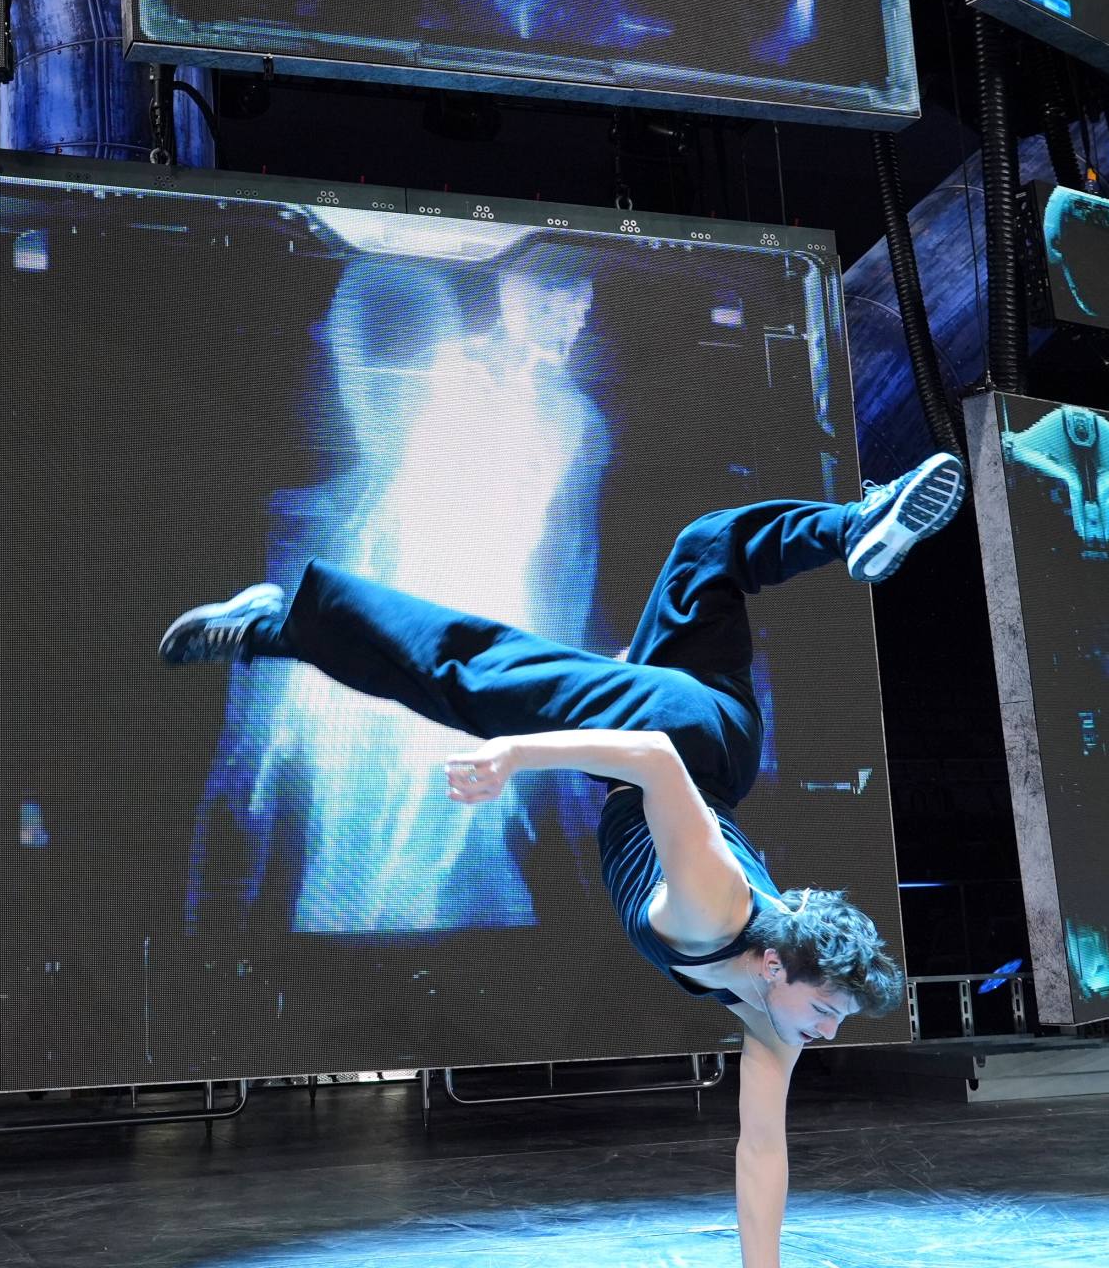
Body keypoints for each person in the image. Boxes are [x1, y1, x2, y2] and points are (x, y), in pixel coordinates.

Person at [157, 450, 967, 1268]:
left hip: (715, 735)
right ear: (771, 965)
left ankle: (855, 526)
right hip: (678, 742)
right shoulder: (714, 905)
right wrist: (514, 758)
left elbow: (761, 1149)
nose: (826, 1030)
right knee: (479, 678)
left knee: (705, 552)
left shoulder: (775, 1020)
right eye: (826, 1010)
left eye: (831, 1020)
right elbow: (651, 756)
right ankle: (280, 622)